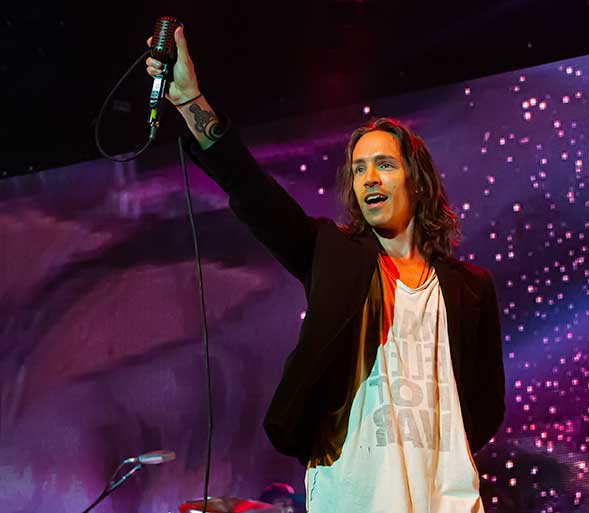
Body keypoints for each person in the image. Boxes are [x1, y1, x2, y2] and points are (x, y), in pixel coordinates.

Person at [146, 26, 505, 513]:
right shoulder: (333, 255)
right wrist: (191, 101)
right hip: (353, 495)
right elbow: (255, 194)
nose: (369, 178)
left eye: (384, 165)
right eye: (358, 169)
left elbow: (485, 407)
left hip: (449, 501)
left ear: (417, 181)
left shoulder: (471, 288)